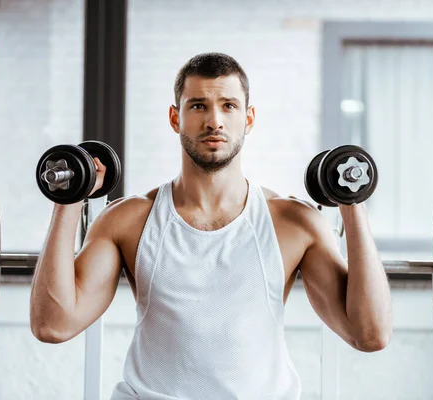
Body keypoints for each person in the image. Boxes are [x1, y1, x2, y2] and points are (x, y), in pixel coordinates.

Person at [29, 52, 392, 399]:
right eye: (198, 105)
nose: (214, 121)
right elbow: (54, 325)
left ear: (248, 119)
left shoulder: (293, 224)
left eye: (228, 106)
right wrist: (70, 198)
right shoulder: (129, 220)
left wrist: (351, 204)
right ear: (175, 118)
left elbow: (370, 334)